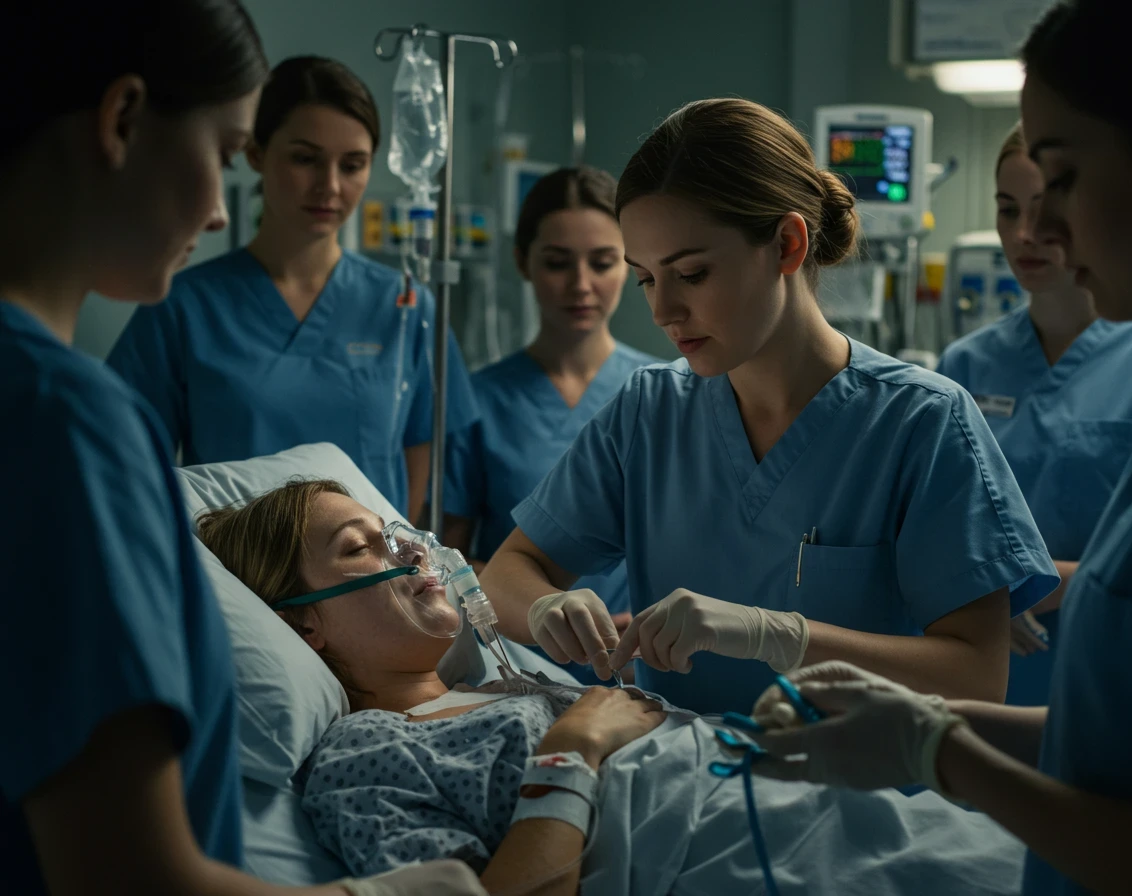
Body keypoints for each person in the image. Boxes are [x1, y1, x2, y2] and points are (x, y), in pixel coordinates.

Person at [734, 2, 1132, 894]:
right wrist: (927, 718)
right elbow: (1121, 751)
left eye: (1062, 178)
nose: (1042, 231)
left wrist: (950, 759)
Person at [0, 3, 483, 895]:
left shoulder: (403, 307)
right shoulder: (70, 422)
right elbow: (124, 869)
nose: (222, 211)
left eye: (352, 164)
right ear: (121, 121)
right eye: (228, 155)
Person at [477, 98, 1060, 716]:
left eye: (692, 273)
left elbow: (976, 675)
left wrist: (776, 635)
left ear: (786, 243)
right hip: (678, 784)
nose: (662, 310)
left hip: (856, 797)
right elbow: (510, 568)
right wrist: (545, 605)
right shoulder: (650, 412)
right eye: (648, 278)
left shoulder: (919, 422)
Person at [197, 480, 1030, 896]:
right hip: (754, 861)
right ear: (303, 626)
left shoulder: (507, 681)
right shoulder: (363, 759)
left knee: (1101, 843)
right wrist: (574, 749)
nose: (411, 553)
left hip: (815, 805)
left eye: (396, 535)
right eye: (359, 550)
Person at [107, 55, 478, 523]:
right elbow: (128, 464)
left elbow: (420, 457)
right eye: (305, 159)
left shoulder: (405, 306)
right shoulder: (183, 306)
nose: (330, 186)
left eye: (353, 164)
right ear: (256, 153)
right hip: (237, 581)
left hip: (374, 579)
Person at [934, 122, 1132, 706]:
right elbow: (935, 531)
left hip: (1118, 660)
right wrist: (976, 601)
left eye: (1045, 207)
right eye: (1008, 211)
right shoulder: (966, 364)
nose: (1026, 234)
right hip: (990, 674)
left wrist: (1027, 588)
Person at [443, 167, 659, 682]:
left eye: (603, 262)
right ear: (524, 262)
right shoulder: (477, 398)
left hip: (650, 662)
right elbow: (447, 562)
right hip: (517, 667)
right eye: (558, 263)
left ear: (628, 264)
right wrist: (540, 608)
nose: (581, 285)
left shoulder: (663, 394)